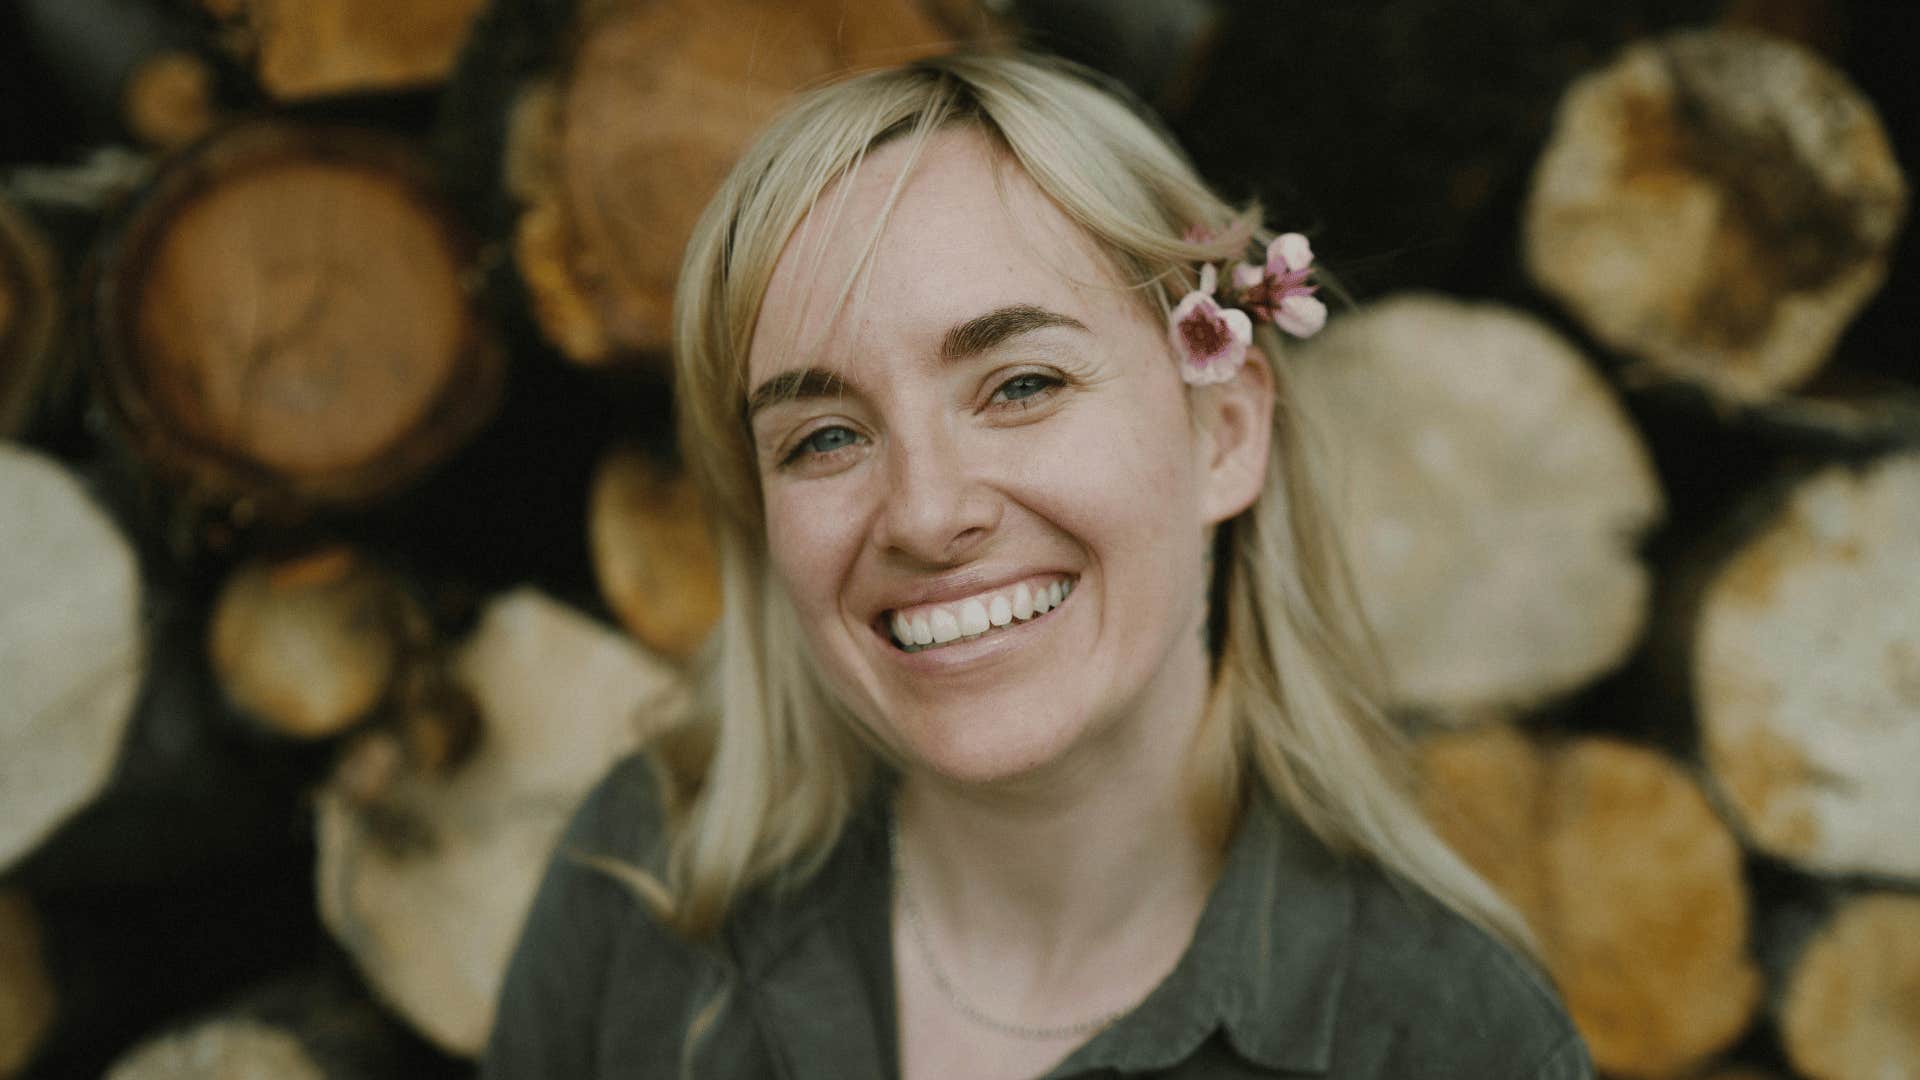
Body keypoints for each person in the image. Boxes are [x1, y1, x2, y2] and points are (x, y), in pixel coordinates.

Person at [484, 49, 1592, 1080]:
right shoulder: (645, 883)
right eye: (824, 436)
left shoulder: (1450, 1040)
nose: (924, 512)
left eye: (1022, 385)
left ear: (1224, 435)